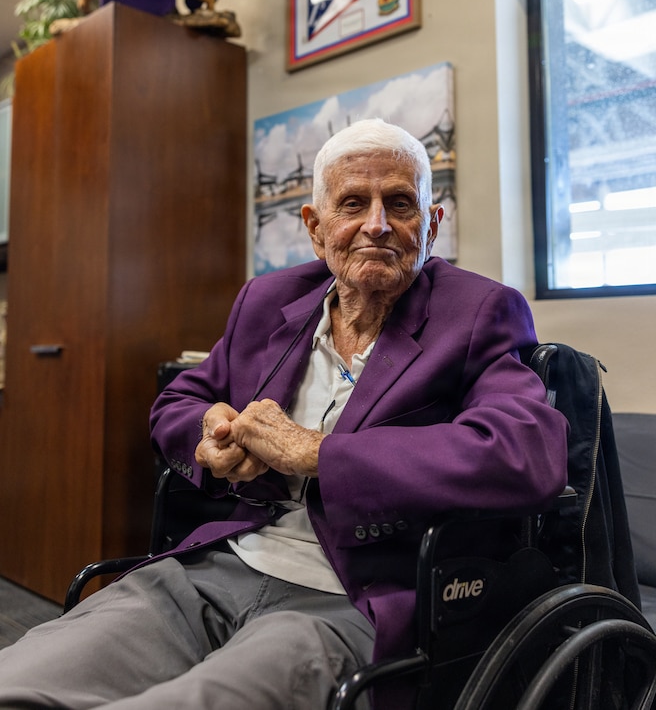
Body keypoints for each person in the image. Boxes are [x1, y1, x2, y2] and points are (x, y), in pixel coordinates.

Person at [0, 118, 568, 709]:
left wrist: (319, 452)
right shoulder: (266, 301)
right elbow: (178, 401)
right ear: (316, 228)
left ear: (431, 225)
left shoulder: (478, 311)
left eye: (400, 203)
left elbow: (527, 450)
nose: (378, 224)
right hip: (219, 566)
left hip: (351, 595)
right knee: (19, 681)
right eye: (353, 203)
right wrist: (208, 434)